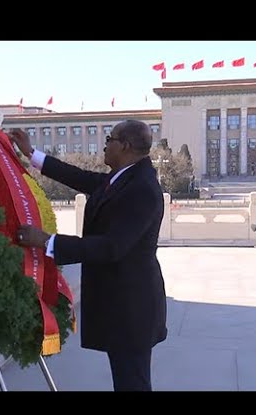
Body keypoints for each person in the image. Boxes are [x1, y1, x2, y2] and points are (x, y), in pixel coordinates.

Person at [9, 120, 167, 391]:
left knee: (132, 382)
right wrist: (31, 154)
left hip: (132, 309)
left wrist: (49, 242)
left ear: (126, 146)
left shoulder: (141, 188)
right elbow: (80, 177)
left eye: (110, 138)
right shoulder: (123, 178)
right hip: (122, 305)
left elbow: (111, 247)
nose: (105, 144)